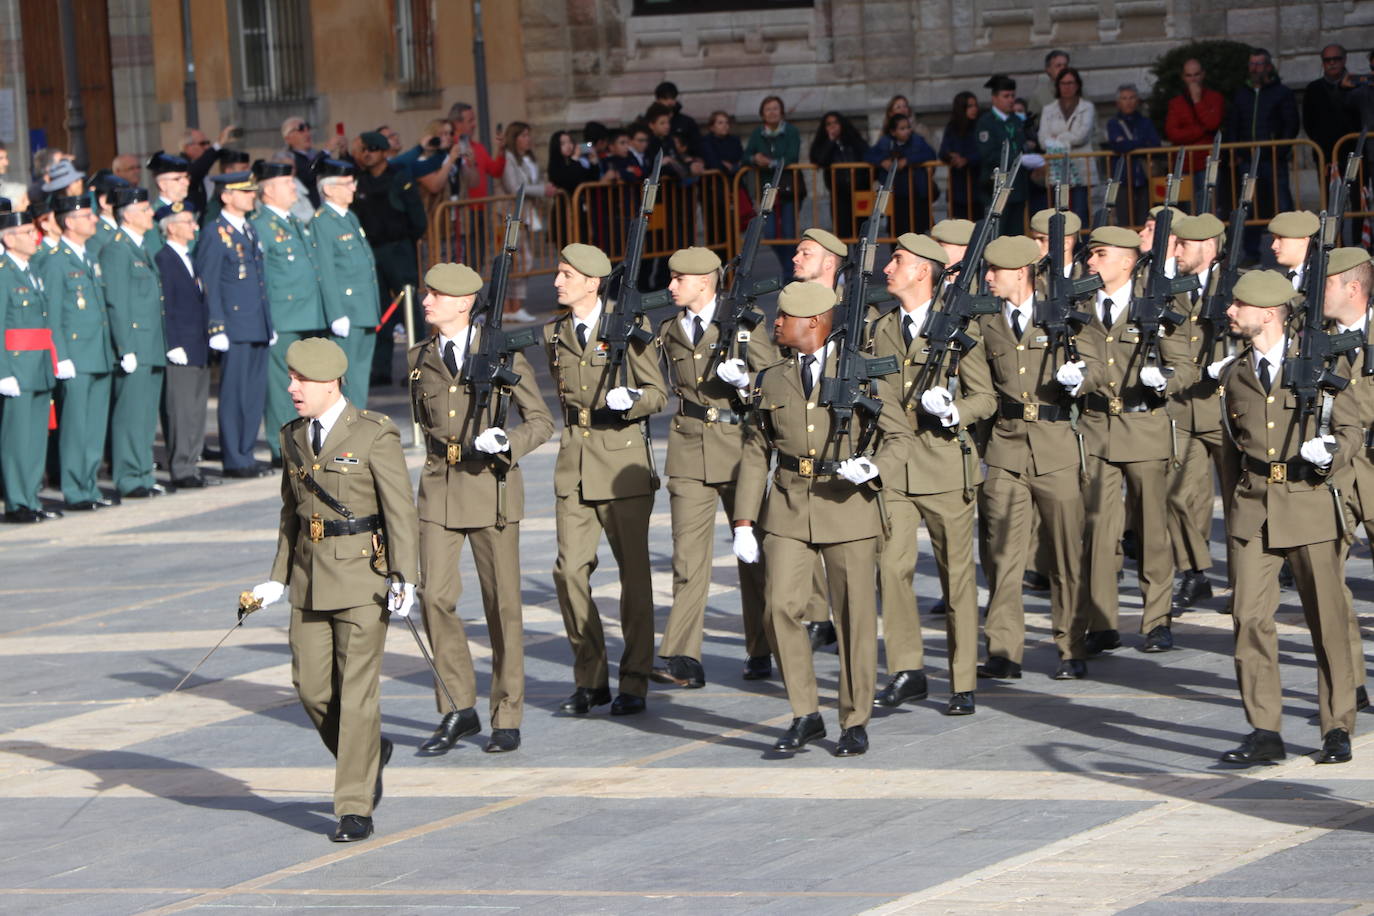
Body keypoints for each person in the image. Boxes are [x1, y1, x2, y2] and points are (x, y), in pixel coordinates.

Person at [249, 337, 419, 842]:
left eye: (300, 381)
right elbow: (291, 515)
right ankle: (369, 752)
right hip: (308, 578)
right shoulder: (292, 436)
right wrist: (277, 577)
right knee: (311, 688)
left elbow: (399, 511)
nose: (291, 388)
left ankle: (353, 805)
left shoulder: (373, 435)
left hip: (363, 579)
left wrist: (405, 577)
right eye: (291, 379)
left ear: (328, 383)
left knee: (357, 693)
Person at [732, 281, 913, 756]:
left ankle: (854, 718)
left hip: (847, 506)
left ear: (812, 322)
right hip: (789, 507)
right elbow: (756, 452)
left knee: (853, 616)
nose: (775, 323)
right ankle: (805, 713)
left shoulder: (864, 373)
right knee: (779, 608)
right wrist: (744, 522)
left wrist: (875, 469)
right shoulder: (772, 377)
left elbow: (900, 439)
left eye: (784, 317)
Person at [1213, 270, 1358, 767]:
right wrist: (1235, 507)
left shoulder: (1319, 362)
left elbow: (1352, 426)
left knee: (1327, 621)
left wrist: (1331, 453)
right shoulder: (1234, 373)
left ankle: (1337, 725)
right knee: (1248, 617)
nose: (1230, 311)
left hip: (1309, 500)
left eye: (1239, 305)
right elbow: (1232, 451)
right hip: (1255, 507)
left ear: (1268, 314)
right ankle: (1264, 729)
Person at [408, 263, 553, 755]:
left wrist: (505, 441)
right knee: (434, 599)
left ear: (464, 302)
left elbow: (539, 421)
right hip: (440, 490)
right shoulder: (419, 358)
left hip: (491, 489)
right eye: (427, 292)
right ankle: (457, 707)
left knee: (503, 607)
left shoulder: (499, 351)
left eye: (435, 294)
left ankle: (506, 714)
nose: (426, 301)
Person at [869, 233, 995, 715]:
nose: (886, 268)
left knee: (956, 577)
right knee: (891, 566)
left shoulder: (960, 329)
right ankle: (908, 669)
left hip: (944, 466)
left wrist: (952, 412)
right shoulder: (877, 327)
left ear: (923, 270)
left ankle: (962, 679)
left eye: (896, 261)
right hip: (895, 469)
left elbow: (984, 398)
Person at [543, 243, 667, 716]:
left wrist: (630, 399)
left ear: (593, 283)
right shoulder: (555, 333)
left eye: (567, 275)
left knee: (633, 578)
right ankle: (590, 676)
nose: (558, 282)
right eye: (559, 272)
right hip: (574, 461)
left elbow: (658, 393)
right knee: (568, 571)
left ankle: (634, 679)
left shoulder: (629, 328)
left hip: (620, 464)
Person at [650, 247, 778, 690]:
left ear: (704, 281)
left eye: (678, 280)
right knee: (687, 558)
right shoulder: (669, 329)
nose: (670, 287)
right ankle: (683, 654)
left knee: (752, 555)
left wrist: (747, 383)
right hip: (687, 449)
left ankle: (762, 646)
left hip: (740, 445)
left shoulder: (744, 324)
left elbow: (776, 382)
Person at [973, 235, 1091, 680]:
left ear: (1021, 272)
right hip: (1006, 449)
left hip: (1056, 447)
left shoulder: (1062, 314)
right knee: (1003, 555)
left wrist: (1080, 378)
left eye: (995, 271)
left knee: (1064, 554)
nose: (988, 278)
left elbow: (1098, 363)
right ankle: (1003, 650)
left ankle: (1071, 645)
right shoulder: (986, 323)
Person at [1075, 225, 1196, 657]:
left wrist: (1164, 379)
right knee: (1098, 529)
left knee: (1150, 530)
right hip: (1096, 428)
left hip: (1144, 427)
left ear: (1127, 260)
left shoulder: (1156, 307)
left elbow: (1186, 368)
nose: (1091, 262)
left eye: (1101, 254)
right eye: (1091, 254)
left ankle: (1157, 619)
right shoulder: (1079, 306)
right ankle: (1102, 621)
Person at [1165, 214, 1235, 610]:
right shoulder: (1175, 289)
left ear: (1208, 247)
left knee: (1241, 502)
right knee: (1178, 495)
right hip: (1185, 406)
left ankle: (1245, 583)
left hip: (1226, 408)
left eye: (1184, 246)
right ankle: (1194, 572)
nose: (1176, 252)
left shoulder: (1236, 284)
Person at [250, 158, 327, 467]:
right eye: (285, 183)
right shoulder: (261, 226)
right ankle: (281, 445)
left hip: (306, 313)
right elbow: (262, 277)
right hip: (282, 315)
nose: (293, 187)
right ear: (268, 191)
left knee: (305, 381)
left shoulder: (293, 220)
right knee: (283, 385)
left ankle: (302, 440)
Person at [197, 171, 273, 478]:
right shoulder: (215, 233)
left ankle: (247, 451)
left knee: (253, 393)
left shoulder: (249, 229)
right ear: (226, 196)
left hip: (256, 322)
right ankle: (235, 456)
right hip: (234, 324)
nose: (250, 196)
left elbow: (259, 280)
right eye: (244, 192)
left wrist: (269, 322)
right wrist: (216, 325)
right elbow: (210, 283)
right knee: (234, 393)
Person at [41, 195, 113, 511]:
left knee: (95, 425)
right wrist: (61, 355)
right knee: (76, 426)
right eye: (86, 216)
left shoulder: (88, 255)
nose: (93, 220)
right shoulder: (56, 260)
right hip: (75, 355)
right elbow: (53, 312)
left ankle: (89, 483)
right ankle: (74, 488)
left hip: (97, 352)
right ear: (69, 221)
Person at [101, 186, 169, 498]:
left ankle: (143, 471)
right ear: (128, 215)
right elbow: (117, 302)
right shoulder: (117, 248)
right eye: (144, 210)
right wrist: (125, 347)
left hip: (151, 343)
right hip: (135, 345)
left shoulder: (138, 246)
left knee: (144, 415)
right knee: (130, 414)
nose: (151, 214)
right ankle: (128, 476)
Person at [0, 208, 62, 522]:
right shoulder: (3, 272)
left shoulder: (31, 270)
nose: (34, 237)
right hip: (17, 366)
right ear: (9, 239)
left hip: (38, 363)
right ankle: (17, 502)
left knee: (36, 436)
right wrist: (3, 371)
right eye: (26, 233)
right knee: (17, 438)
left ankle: (31, 497)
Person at [353, 132, 426, 390]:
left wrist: (406, 241)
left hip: (398, 249)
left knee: (410, 312)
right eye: (365, 149)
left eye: (373, 148)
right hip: (373, 251)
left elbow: (417, 218)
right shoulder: (359, 181)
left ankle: (419, 368)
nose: (368, 153)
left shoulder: (399, 177)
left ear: (384, 152)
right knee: (380, 311)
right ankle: (381, 368)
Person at [154, 201, 215, 490]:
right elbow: (165, 305)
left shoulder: (188, 257)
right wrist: (172, 342)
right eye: (188, 222)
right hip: (181, 345)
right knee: (180, 410)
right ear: (173, 227)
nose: (194, 227)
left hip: (197, 343)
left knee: (195, 409)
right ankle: (181, 467)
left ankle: (191, 462)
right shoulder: (165, 259)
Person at [312, 157, 379, 407]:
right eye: (347, 183)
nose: (354, 188)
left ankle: (357, 424)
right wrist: (336, 313)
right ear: (329, 189)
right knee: (347, 378)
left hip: (363, 309)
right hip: (347, 310)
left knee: (360, 377)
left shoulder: (349, 217)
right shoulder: (323, 222)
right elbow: (326, 270)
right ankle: (347, 432)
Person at [1227, 48, 1300, 263]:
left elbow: (1291, 123)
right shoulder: (1242, 93)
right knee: (1249, 207)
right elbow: (1233, 125)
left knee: (1283, 205)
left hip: (1273, 159)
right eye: (1252, 64)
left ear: (1268, 66)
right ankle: (1251, 254)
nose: (1255, 68)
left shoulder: (1281, 92)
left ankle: (1294, 249)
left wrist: (1281, 150)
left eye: (1259, 64)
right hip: (1248, 161)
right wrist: (1237, 152)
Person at [499, 121, 558, 323]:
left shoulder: (528, 158)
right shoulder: (508, 158)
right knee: (521, 260)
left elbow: (531, 181)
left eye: (528, 135)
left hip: (527, 213)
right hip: (512, 214)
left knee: (523, 260)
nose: (528, 139)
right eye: (523, 135)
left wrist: (542, 187)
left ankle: (515, 305)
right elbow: (515, 186)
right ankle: (511, 306)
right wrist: (542, 189)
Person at [744, 95, 803, 270]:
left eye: (775, 108)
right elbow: (745, 156)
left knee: (789, 233)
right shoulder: (758, 133)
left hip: (787, 189)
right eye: (768, 109)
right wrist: (755, 158)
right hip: (767, 190)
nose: (772, 112)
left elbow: (792, 157)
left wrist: (769, 163)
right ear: (762, 114)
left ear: (781, 112)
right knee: (769, 234)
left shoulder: (791, 131)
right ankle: (789, 267)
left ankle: (790, 273)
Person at [1165, 58, 1226, 214]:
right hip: (1185, 164)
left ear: (1203, 75)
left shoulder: (1214, 98)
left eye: (1196, 74)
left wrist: (1197, 101)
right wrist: (1200, 130)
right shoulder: (1176, 103)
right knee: (1185, 211)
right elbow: (1173, 133)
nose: (1193, 79)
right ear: (1183, 77)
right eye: (1189, 75)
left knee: (1208, 208)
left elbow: (1213, 123)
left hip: (1207, 162)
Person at [975, 75, 1032, 237]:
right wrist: (1018, 158)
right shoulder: (986, 122)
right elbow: (988, 154)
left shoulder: (1016, 120)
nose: (1011, 100)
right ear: (994, 98)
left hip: (1017, 187)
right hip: (995, 187)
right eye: (1006, 96)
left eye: (1013, 96)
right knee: (996, 235)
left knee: (1016, 235)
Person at [1038, 67, 1096, 225]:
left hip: (1080, 167)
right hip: (1056, 168)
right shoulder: (1048, 109)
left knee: (1080, 212)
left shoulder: (1087, 107)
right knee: (1057, 212)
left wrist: (1057, 137)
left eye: (1070, 83)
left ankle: (1079, 247)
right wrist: (1065, 138)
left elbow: (1081, 136)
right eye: (1063, 83)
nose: (1067, 87)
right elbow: (1042, 140)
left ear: (1077, 85)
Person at [866, 113, 938, 237]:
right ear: (893, 132)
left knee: (917, 231)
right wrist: (882, 161)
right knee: (896, 231)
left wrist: (908, 160)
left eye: (908, 127)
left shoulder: (917, 140)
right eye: (902, 128)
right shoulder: (886, 142)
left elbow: (930, 154)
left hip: (915, 192)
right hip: (895, 194)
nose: (907, 131)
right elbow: (869, 155)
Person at [1104, 83, 1160, 226]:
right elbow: (1119, 145)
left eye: (1132, 98)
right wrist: (1140, 143)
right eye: (1124, 98)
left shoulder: (1145, 122)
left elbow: (1155, 144)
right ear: (1118, 102)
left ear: (1137, 100)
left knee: (1145, 221)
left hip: (1143, 176)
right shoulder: (1113, 123)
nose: (1128, 102)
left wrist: (1130, 143)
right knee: (1125, 223)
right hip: (1123, 178)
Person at [810, 111, 870, 240]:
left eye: (836, 123)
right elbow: (819, 160)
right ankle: (845, 260)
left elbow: (867, 156)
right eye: (829, 124)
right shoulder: (824, 143)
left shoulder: (853, 140)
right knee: (843, 233)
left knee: (862, 231)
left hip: (859, 191)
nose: (833, 126)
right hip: (839, 193)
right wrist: (831, 141)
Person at [1304, 45, 1362, 171]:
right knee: (1329, 189)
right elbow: (1309, 122)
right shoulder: (1314, 89)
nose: (1332, 63)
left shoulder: (1357, 85)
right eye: (1327, 60)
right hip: (1325, 153)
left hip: (1355, 150)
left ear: (1344, 60)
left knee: (1354, 188)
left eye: (1336, 59)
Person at [939, 91, 983, 221]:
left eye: (975, 105)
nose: (974, 109)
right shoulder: (952, 127)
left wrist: (967, 160)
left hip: (976, 185)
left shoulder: (980, 126)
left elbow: (983, 152)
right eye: (970, 106)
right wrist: (951, 156)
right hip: (958, 187)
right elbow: (943, 151)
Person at [144, 150, 193, 256]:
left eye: (186, 177)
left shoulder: (188, 210)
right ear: (162, 184)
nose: (186, 183)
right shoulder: (154, 215)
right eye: (178, 179)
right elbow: (156, 254)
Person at [649, 81, 702, 155]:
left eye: (672, 98)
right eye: (665, 98)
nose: (669, 102)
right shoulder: (647, 120)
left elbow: (698, 145)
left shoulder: (687, 122)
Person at [281, 117, 324, 208]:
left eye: (308, 129)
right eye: (301, 129)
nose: (307, 134)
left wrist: (343, 153)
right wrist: (327, 150)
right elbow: (307, 174)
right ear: (288, 138)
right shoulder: (285, 158)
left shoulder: (315, 155)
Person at [1029, 50, 1071, 119]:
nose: (1063, 69)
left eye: (1065, 65)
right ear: (1048, 69)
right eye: (1058, 66)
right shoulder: (1039, 95)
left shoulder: (1080, 91)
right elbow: (1032, 125)